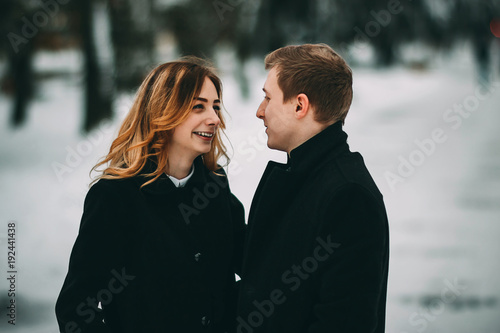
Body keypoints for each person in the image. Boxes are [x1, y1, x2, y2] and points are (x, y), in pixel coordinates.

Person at [56, 58, 245, 333]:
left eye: (216, 106)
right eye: (198, 106)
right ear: (163, 110)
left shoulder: (215, 187)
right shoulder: (115, 197)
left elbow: (257, 266)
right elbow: (75, 310)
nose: (215, 118)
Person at [236, 44, 389, 333]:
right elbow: (264, 269)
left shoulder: (348, 195)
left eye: (268, 98)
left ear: (299, 105)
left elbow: (344, 322)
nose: (259, 111)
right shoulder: (304, 176)